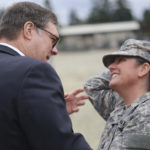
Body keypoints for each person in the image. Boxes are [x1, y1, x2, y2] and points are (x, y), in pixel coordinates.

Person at [0, 2, 92, 150]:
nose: (55, 50)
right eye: (53, 40)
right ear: (29, 30)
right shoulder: (33, 72)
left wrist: (48, 111)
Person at [83, 39, 150, 149]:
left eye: (121, 60)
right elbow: (92, 86)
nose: (110, 67)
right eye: (112, 62)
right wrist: (116, 71)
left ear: (143, 69)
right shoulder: (121, 106)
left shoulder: (146, 113)